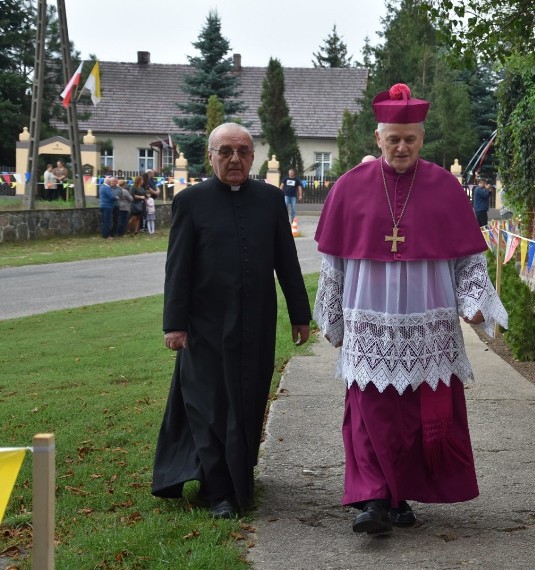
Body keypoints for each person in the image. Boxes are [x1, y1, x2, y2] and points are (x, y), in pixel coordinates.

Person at [313, 83, 508, 535]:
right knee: (370, 410)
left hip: (429, 315)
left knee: (422, 414)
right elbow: (334, 263)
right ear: (378, 138)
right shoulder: (348, 187)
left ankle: (400, 497)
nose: (402, 147)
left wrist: (476, 302)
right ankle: (374, 498)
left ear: (422, 139)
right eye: (393, 139)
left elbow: (468, 261)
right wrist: (333, 315)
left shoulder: (444, 187)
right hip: (369, 316)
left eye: (411, 139)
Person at [152, 122, 311, 520]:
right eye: (225, 151)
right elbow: (178, 268)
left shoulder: (271, 200)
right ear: (211, 156)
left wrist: (300, 314)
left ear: (253, 157)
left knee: (246, 400)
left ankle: (239, 473)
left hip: (255, 323)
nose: (235, 158)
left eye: (242, 151)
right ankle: (218, 488)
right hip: (204, 325)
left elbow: (286, 263)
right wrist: (174, 324)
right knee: (208, 405)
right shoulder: (191, 201)